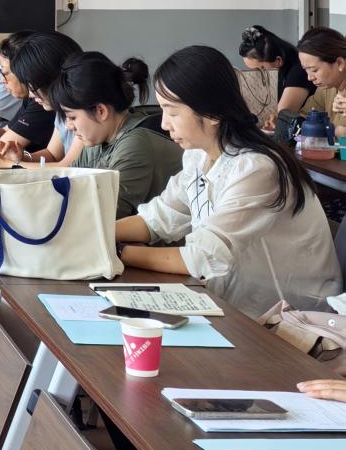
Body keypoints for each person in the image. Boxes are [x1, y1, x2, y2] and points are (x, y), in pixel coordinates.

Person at [114, 45, 342, 318]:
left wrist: (117, 251)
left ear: (212, 113)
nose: (164, 124)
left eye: (172, 112)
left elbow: (204, 256)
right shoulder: (199, 156)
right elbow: (159, 217)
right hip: (236, 306)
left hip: (289, 320)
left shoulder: (257, 168)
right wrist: (98, 233)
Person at [49, 52, 182, 218]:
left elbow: (106, 214)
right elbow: (69, 182)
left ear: (100, 111)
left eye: (72, 117)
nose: (69, 126)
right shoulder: (98, 139)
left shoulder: (135, 144)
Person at [0, 31, 83, 166]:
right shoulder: (61, 110)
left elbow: (66, 167)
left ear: (50, 77)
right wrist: (21, 157)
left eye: (33, 87)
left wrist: (4, 164)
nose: (30, 95)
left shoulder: (83, 111)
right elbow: (52, 155)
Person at [0, 31, 57, 153]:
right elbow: (6, 131)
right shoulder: (32, 97)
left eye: (5, 73)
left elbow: (2, 146)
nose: (2, 80)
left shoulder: (43, 101)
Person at [239, 25, 315, 126]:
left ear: (278, 61)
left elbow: (281, 117)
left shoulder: (298, 72)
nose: (256, 75)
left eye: (260, 69)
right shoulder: (280, 72)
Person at [298, 27, 346, 138]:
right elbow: (304, 117)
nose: (309, 77)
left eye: (314, 70)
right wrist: (283, 123)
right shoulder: (325, 88)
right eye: (306, 69)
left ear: (339, 63)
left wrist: (338, 132)